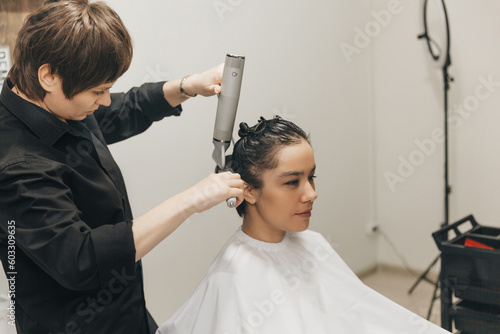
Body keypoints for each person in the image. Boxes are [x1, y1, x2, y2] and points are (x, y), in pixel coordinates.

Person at [0, 1, 244, 333]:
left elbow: (119, 111)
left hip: (127, 313)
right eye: (98, 91)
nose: (104, 100)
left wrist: (187, 86)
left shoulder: (50, 100)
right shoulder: (17, 167)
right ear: (49, 76)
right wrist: (192, 200)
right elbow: (82, 259)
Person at [156, 116, 451, 334]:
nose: (311, 193)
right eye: (292, 182)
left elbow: (362, 313)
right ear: (248, 191)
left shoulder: (314, 243)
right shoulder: (230, 279)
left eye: (311, 177)